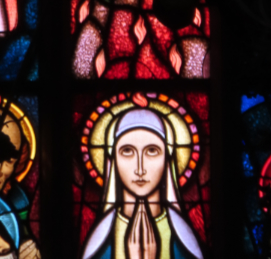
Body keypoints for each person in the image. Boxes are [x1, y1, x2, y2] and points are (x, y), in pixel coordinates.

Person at [81, 107, 204, 259]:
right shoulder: (100, 243)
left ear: (166, 159)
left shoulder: (183, 242)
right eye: (127, 151)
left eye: (152, 151)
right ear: (114, 160)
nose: (140, 168)